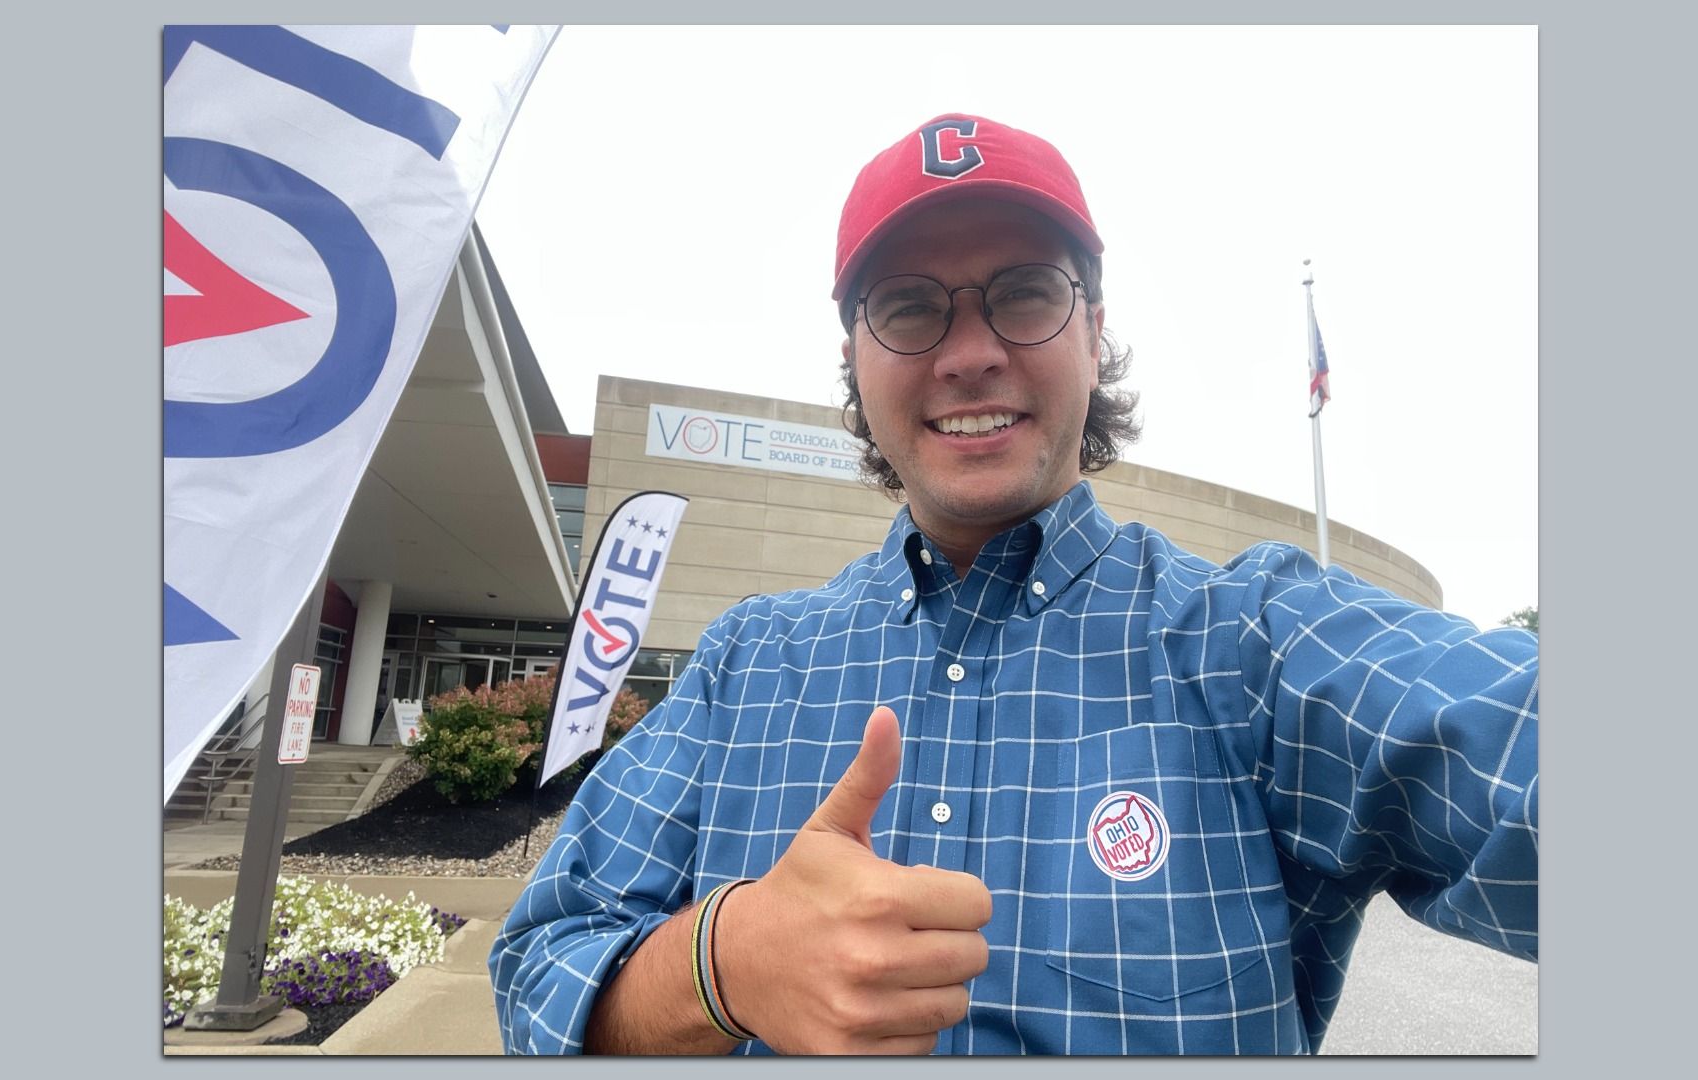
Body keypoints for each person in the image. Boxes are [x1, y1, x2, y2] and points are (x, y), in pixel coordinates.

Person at [489, 113, 1538, 1056]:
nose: (971, 354)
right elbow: (538, 970)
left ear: (1092, 330)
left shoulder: (1250, 644)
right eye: (909, 308)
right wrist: (720, 965)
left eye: (1024, 294)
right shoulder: (744, 668)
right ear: (855, 357)